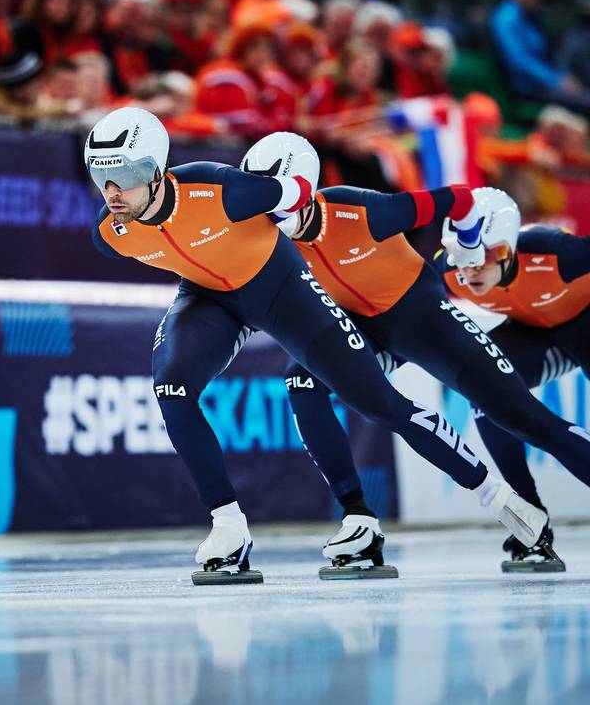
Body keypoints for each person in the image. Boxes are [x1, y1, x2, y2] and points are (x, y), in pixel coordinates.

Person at [85, 107, 545, 582]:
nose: (113, 191)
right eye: (102, 176)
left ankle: (500, 498)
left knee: (378, 403)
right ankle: (229, 526)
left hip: (281, 289)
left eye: (125, 175)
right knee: (172, 388)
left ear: (157, 171)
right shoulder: (109, 232)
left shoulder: (222, 189)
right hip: (208, 298)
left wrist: (284, 206)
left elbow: (300, 189)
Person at [243, 134, 590, 570]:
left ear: (307, 190)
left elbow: (460, 197)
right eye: (261, 204)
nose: (270, 215)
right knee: (301, 380)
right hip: (359, 328)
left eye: (280, 202)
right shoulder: (261, 237)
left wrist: (466, 240)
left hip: (421, 319)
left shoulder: (366, 210)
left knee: (528, 420)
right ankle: (358, 518)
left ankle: (529, 516)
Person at [436, 188, 590, 566]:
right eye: (461, 257)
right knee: (483, 389)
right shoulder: (446, 272)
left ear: (508, 249)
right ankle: (531, 520)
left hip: (585, 324)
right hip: (531, 333)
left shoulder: (559, 254)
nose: (470, 271)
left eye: (483, 259)